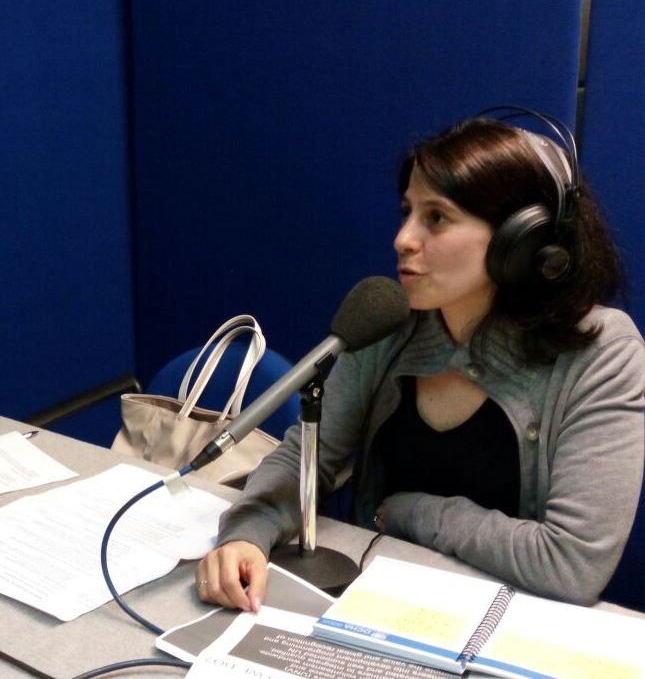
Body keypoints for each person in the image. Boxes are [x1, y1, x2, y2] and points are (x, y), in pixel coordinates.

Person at [196, 111, 645, 612]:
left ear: (521, 240)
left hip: (512, 623)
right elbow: (307, 458)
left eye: (437, 217)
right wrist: (246, 534)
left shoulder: (600, 352)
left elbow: (572, 564)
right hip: (376, 605)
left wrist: (411, 513)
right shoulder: (389, 324)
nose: (403, 239)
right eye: (407, 211)